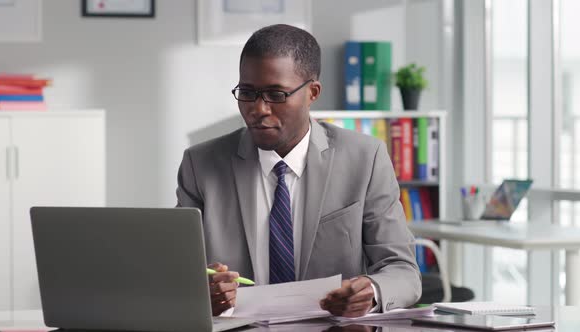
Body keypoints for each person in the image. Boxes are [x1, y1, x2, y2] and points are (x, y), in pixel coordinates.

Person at [176, 24, 421, 318]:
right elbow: (177, 271)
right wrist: (200, 290)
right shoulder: (201, 164)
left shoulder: (364, 159)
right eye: (248, 93)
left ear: (312, 92)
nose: (259, 109)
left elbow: (403, 271)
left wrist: (372, 291)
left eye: (276, 95)